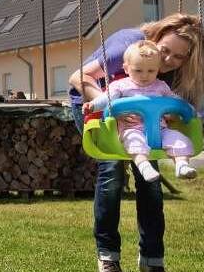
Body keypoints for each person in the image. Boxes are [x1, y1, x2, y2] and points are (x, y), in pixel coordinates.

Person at [68, 13, 204, 272]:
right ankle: (108, 258)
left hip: (143, 115)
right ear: (157, 36)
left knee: (150, 181)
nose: (168, 60)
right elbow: (78, 77)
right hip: (93, 100)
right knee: (111, 172)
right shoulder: (128, 45)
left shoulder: (173, 72)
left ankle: (152, 260)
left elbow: (173, 107)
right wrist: (115, 109)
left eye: (179, 57)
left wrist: (172, 115)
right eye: (165, 50)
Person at [82, 40, 197, 182]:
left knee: (178, 139)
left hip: (160, 129)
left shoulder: (161, 86)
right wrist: (93, 105)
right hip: (131, 128)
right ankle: (144, 167)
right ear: (126, 68)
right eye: (138, 70)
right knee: (135, 142)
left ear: (158, 69)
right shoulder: (121, 86)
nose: (145, 75)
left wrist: (188, 108)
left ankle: (182, 165)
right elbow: (107, 98)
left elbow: (176, 101)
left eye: (151, 71)